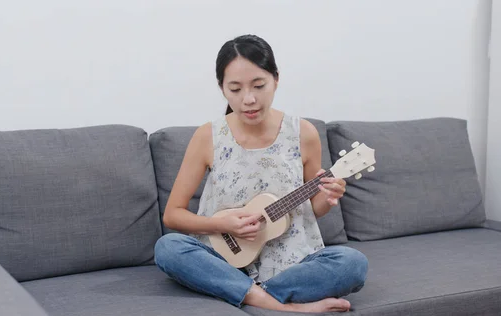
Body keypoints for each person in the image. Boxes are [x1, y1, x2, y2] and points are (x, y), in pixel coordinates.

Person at [154, 34, 368, 313]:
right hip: (220, 258)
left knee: (352, 263)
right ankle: (283, 305)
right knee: (168, 248)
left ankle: (246, 293)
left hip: (290, 265)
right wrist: (224, 225)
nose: (249, 99)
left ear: (276, 79)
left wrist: (327, 198)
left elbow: (308, 212)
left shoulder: (303, 133)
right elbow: (173, 215)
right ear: (222, 89)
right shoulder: (208, 136)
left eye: (259, 85)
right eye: (235, 89)